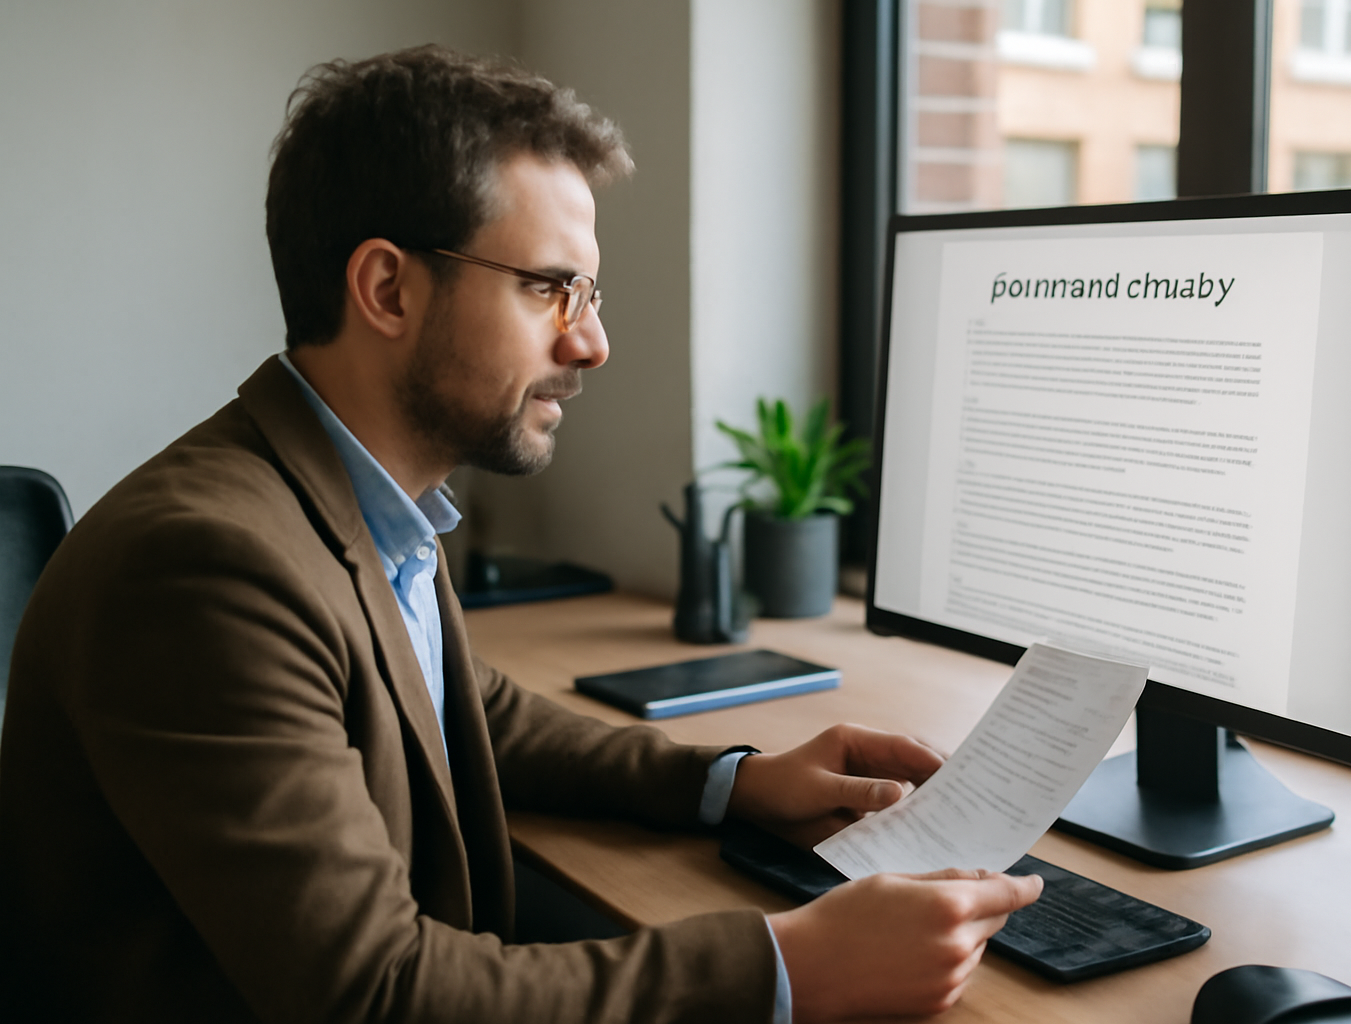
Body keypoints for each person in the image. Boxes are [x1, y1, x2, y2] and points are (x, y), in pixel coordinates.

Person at [0, 46, 1041, 1023]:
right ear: (388, 288)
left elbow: (463, 709)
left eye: (587, 292)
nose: (590, 340)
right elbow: (374, 993)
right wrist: (789, 963)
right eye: (550, 288)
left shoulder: (347, 495)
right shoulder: (204, 567)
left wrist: (730, 782)